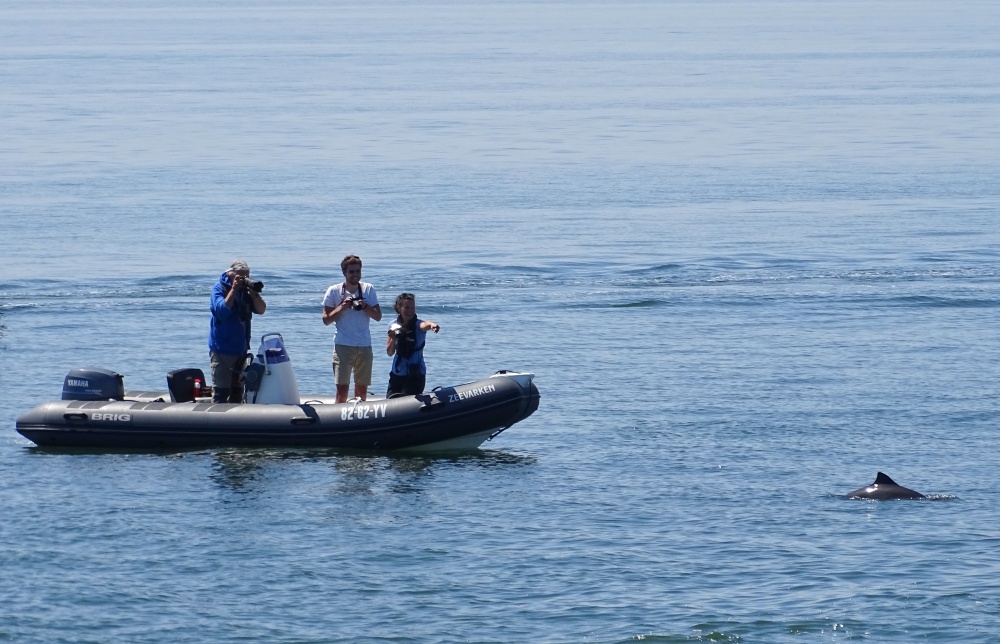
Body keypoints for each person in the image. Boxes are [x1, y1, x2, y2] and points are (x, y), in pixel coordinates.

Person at [322, 255, 382, 402]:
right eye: (351, 272)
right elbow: (326, 320)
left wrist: (365, 306)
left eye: (358, 271)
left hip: (364, 345)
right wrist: (342, 307)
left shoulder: (368, 289)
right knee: (342, 391)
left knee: (361, 391)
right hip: (343, 345)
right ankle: (338, 419)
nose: (355, 275)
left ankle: (359, 419)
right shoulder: (334, 291)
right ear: (344, 272)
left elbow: (378, 317)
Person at [209, 259, 266, 403]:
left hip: (241, 350)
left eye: (247, 276)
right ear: (231, 275)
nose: (245, 280)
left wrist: (254, 294)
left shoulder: (245, 292)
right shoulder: (219, 289)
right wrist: (233, 290)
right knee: (221, 393)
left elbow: (261, 309)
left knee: (237, 392)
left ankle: (234, 423)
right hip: (222, 351)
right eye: (242, 277)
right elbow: (221, 311)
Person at [385, 293, 440, 398]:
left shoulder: (418, 324)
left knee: (409, 402)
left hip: (415, 374)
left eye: (412, 307)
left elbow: (425, 325)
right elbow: (390, 352)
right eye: (406, 307)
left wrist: (432, 325)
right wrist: (393, 338)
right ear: (399, 307)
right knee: (391, 402)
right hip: (397, 373)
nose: (410, 311)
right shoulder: (393, 325)